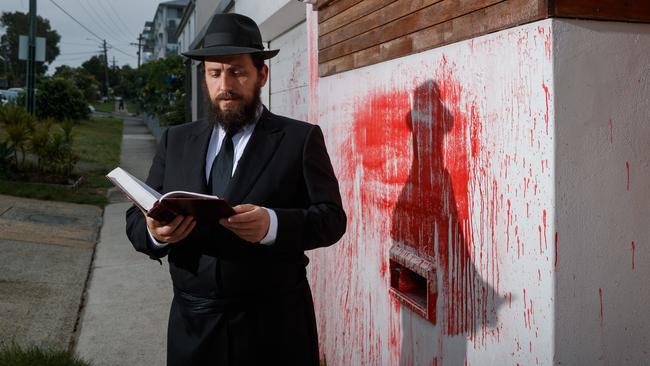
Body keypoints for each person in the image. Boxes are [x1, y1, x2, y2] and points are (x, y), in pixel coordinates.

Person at [125, 13, 346, 366]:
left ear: (262, 74)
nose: (225, 84)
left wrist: (272, 225)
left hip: (275, 327)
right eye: (215, 73)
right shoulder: (176, 140)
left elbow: (332, 220)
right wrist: (156, 232)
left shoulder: (300, 139)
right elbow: (136, 221)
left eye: (237, 71)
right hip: (192, 327)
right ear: (205, 79)